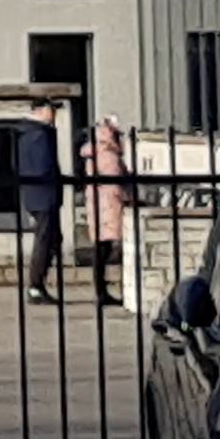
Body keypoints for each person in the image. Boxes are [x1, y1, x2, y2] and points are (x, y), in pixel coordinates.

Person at [15, 111, 64, 302]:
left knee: (51, 239)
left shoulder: (29, 133)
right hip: (43, 195)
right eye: (51, 110)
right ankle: (35, 287)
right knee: (45, 240)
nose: (53, 114)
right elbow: (43, 166)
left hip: (37, 194)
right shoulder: (39, 134)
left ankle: (37, 285)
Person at [84, 115, 133, 303]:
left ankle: (101, 290)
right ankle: (104, 291)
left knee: (101, 247)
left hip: (97, 203)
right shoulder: (108, 154)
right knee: (107, 248)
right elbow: (115, 183)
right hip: (108, 205)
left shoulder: (95, 151)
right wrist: (129, 198)